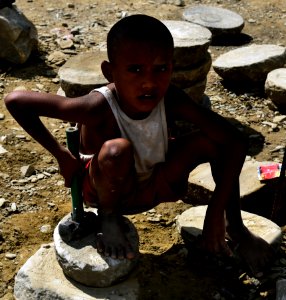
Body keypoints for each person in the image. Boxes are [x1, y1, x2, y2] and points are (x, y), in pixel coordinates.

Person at [5, 14, 273, 275]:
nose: (149, 82)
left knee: (213, 142)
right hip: (108, 192)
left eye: (161, 69)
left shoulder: (171, 98)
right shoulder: (97, 107)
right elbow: (16, 100)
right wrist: (62, 155)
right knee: (116, 150)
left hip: (153, 183)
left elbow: (235, 141)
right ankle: (108, 219)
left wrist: (216, 210)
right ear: (110, 72)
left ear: (172, 66)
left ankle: (234, 227)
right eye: (135, 69)